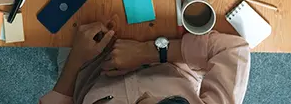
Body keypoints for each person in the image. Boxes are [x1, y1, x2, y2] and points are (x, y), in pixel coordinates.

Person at [39, 21, 250, 104]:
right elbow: (231, 49)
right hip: (172, 56)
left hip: (86, 72)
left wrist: (77, 59)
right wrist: (147, 52)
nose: (145, 93)